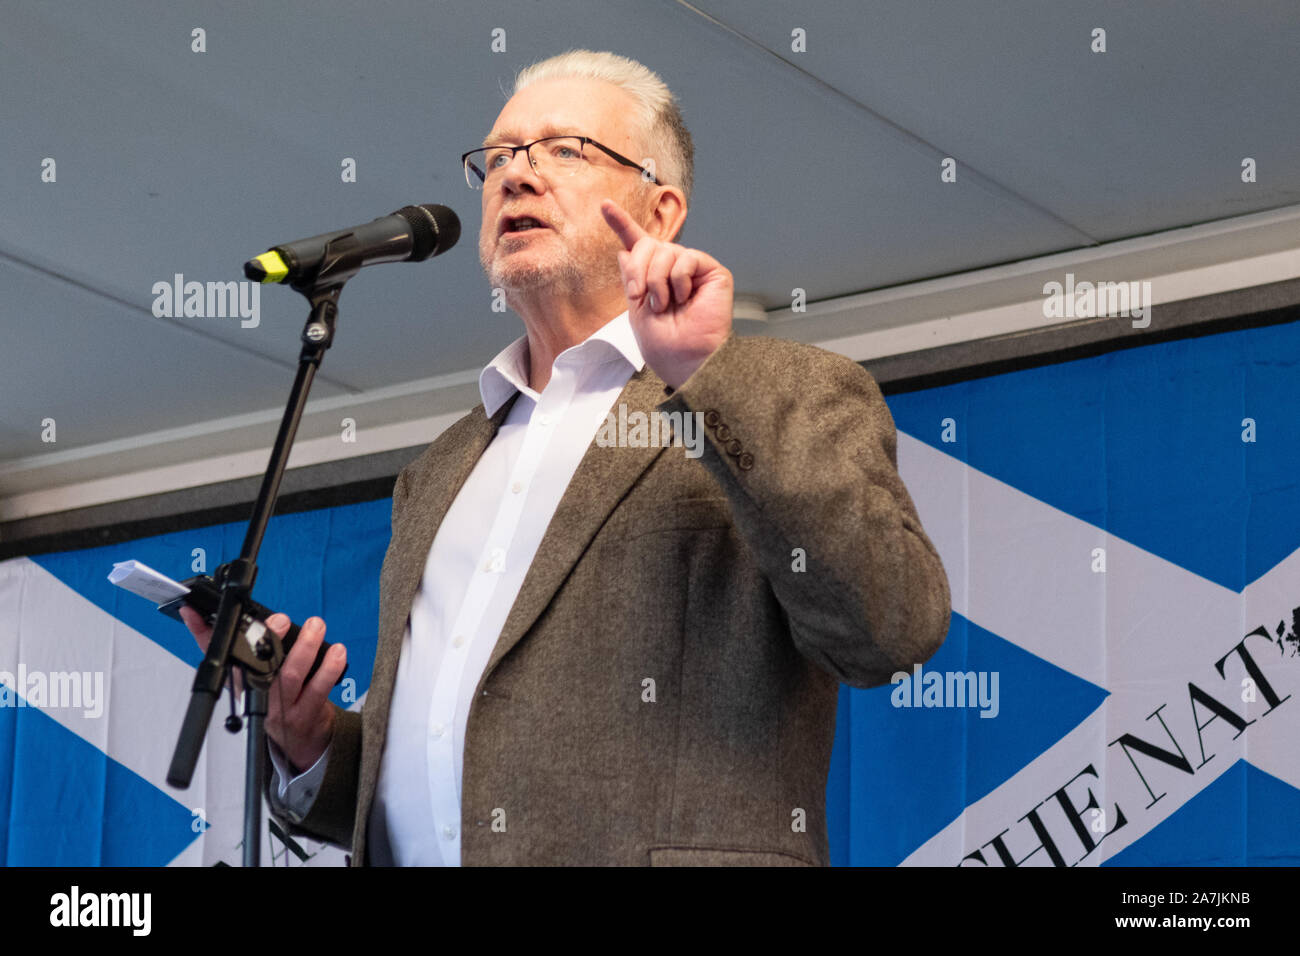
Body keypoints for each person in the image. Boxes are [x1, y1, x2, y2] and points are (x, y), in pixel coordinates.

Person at [183, 49, 951, 866]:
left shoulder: (775, 389)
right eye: (501, 157)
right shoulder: (438, 472)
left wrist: (705, 374)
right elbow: (438, 783)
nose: (516, 176)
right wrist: (312, 747)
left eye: (564, 150)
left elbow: (891, 628)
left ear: (659, 211)